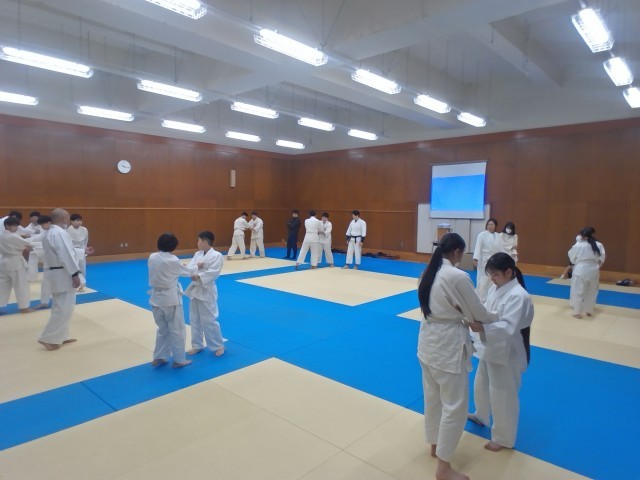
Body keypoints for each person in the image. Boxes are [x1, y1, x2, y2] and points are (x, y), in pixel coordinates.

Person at [417, 233, 496, 480]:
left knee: (433, 399)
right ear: (457, 252)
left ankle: (435, 446)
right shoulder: (456, 276)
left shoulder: (428, 272)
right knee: (455, 407)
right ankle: (443, 468)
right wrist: (498, 317)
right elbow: (477, 312)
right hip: (448, 346)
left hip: (427, 342)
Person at [467, 252, 534, 452]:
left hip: (507, 351)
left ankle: (504, 438)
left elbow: (508, 327)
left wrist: (482, 327)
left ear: (509, 272)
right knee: (481, 383)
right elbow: (489, 312)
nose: (492, 279)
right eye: (490, 275)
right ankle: (481, 414)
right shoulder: (496, 288)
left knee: (503, 394)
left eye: (495, 275)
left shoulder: (519, 296)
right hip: (490, 345)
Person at [148, 232, 197, 368]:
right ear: (173, 246)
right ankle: (179, 360)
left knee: (162, 329)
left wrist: (181, 267)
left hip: (156, 299)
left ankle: (159, 357)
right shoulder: (173, 260)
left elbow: (172, 269)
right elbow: (187, 272)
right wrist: (197, 267)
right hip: (170, 300)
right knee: (177, 330)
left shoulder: (152, 257)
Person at [37, 208, 82, 350]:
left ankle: (61, 336)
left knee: (61, 306)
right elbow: (65, 254)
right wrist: (74, 274)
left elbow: (65, 252)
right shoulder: (59, 233)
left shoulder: (50, 232)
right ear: (63, 218)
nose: (68, 220)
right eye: (67, 217)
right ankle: (48, 338)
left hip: (56, 272)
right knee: (63, 307)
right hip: (62, 273)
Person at [184, 231, 225, 357]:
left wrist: (198, 275)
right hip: (195, 290)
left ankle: (218, 345)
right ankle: (197, 345)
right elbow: (191, 268)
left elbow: (214, 272)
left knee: (209, 320)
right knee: (194, 319)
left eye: (199, 240)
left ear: (205, 241)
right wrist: (195, 269)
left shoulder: (217, 255)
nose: (197, 243)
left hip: (206, 290)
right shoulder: (198, 254)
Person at [568, 227, 605, 318]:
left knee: (578, 291)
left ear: (582, 235)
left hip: (581, 269)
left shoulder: (578, 245)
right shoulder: (599, 244)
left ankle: (577, 312)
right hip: (594, 270)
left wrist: (576, 263)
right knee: (592, 291)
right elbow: (602, 258)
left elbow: (571, 257)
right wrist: (596, 266)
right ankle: (589, 311)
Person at [0, 216, 34, 314]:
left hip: (3, 262)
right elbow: (27, 243)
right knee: (21, 285)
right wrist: (32, 245)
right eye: (14, 226)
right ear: (7, 226)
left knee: (2, 286)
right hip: (15, 262)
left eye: (17, 226)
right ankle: (24, 307)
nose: (16, 228)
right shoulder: (13, 236)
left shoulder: (1, 235)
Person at [473, 218, 502, 302]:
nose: (490, 226)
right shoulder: (482, 235)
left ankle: (491, 296)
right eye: (488, 224)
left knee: (492, 279)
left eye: (492, 224)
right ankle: (480, 297)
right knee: (483, 279)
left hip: (494, 261)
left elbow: (501, 248)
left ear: (495, 226)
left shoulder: (498, 236)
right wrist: (475, 258)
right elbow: (478, 247)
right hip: (484, 260)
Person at [30, 215, 53, 309]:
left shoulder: (58, 232)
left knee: (62, 284)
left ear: (49, 222)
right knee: (46, 283)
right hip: (49, 263)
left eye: (43, 225)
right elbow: (36, 238)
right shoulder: (45, 232)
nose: (42, 227)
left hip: (59, 263)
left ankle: (62, 302)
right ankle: (44, 302)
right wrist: (24, 242)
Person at [67, 213, 91, 290]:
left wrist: (85, 249)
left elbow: (85, 241)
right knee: (73, 269)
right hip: (72, 252)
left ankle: (82, 286)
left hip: (81, 251)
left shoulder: (84, 230)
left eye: (80, 220)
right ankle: (72, 285)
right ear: (72, 221)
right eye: (77, 221)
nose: (79, 222)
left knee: (82, 268)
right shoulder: (67, 230)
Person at [24, 211, 42, 282]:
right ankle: (32, 278)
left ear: (39, 218)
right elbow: (25, 236)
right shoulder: (28, 228)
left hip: (42, 247)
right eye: (32, 217)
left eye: (35, 217)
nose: (33, 219)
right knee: (32, 262)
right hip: (32, 247)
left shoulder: (43, 226)